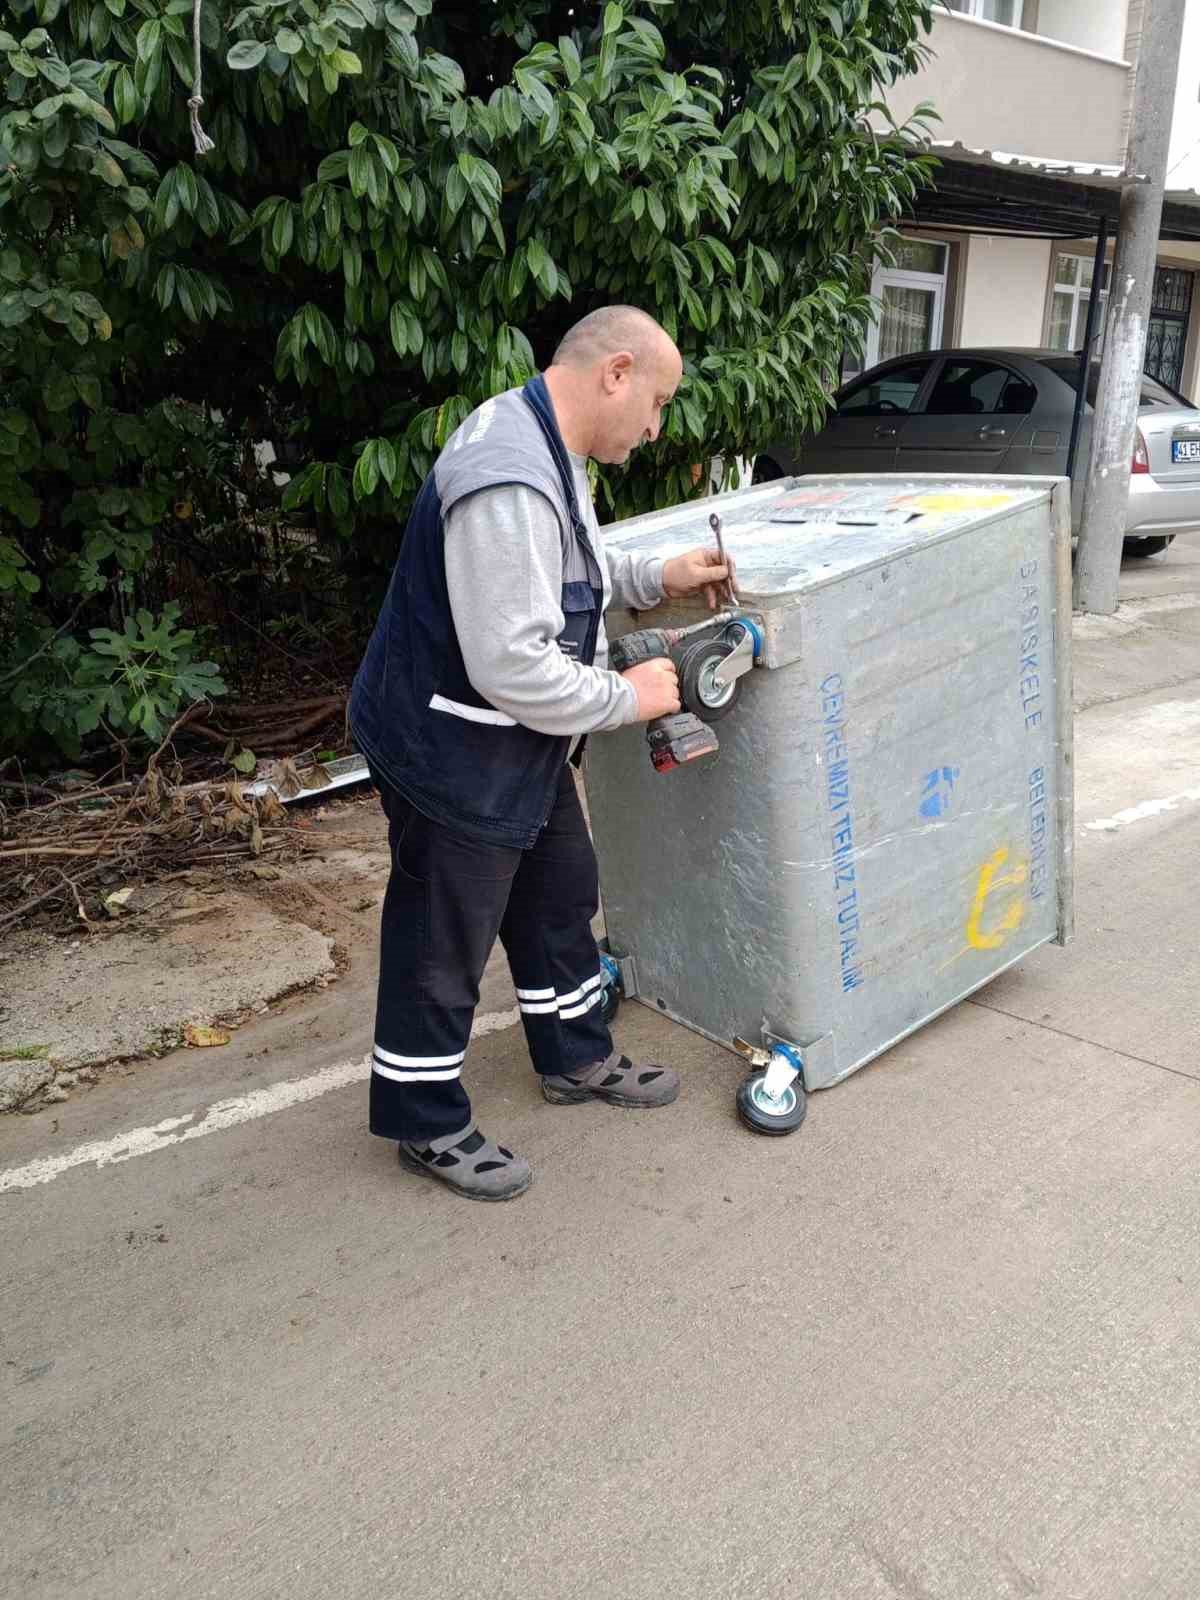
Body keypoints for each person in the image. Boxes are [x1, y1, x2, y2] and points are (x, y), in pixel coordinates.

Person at [349, 305, 733, 1201]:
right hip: (452, 744)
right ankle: (425, 1120)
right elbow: (510, 660)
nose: (656, 425)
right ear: (617, 372)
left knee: (561, 893)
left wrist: (653, 576)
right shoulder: (508, 474)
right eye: (658, 402)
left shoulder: (548, 441)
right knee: (442, 938)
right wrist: (625, 700)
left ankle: (576, 1058)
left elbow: (570, 569)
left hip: (516, 739)